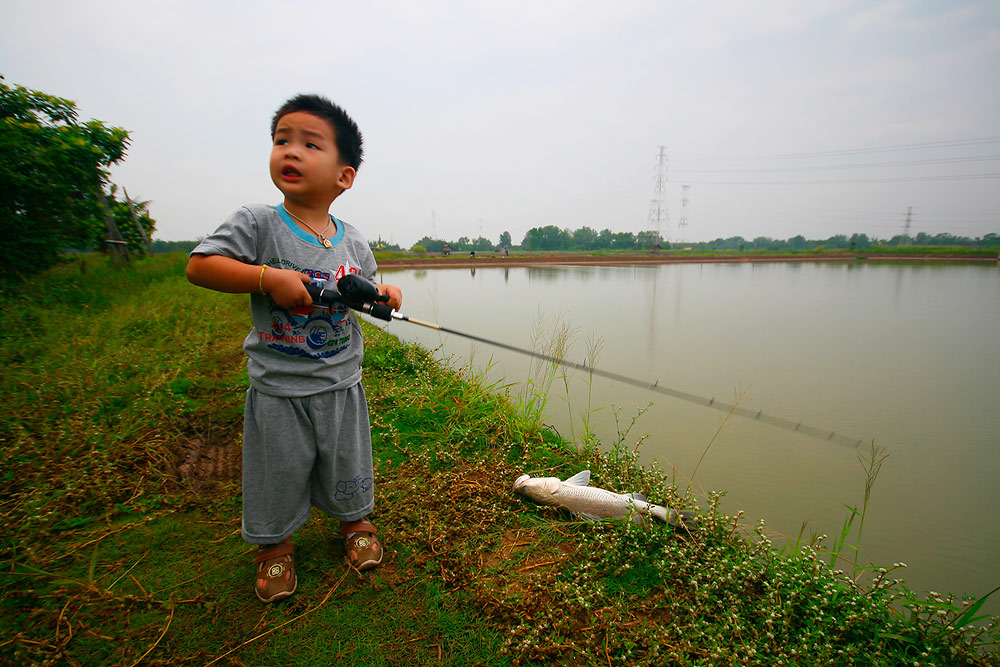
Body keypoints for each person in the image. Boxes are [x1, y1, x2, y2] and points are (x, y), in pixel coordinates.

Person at [186, 94, 401, 603]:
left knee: (347, 460)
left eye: (310, 143)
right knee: (277, 470)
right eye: (282, 140)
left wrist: (385, 296)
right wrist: (267, 278)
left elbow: (367, 293)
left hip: (341, 382)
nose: (292, 151)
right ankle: (273, 546)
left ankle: (355, 522)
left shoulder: (354, 241)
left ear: (344, 176)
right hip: (279, 387)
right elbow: (201, 266)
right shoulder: (257, 222)